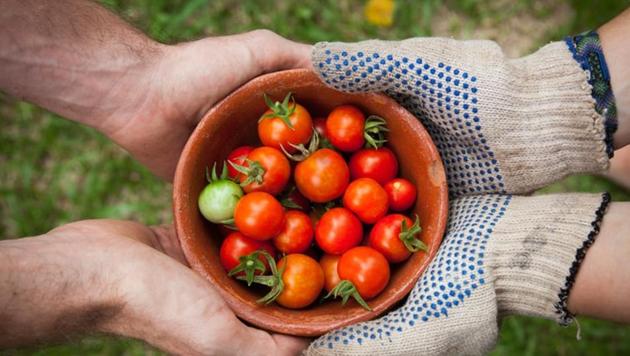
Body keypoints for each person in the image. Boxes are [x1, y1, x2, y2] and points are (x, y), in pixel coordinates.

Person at [1, 1, 628, 355]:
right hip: (350, 231)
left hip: (354, 220)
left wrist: (546, 100)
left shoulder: (294, 193)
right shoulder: (293, 214)